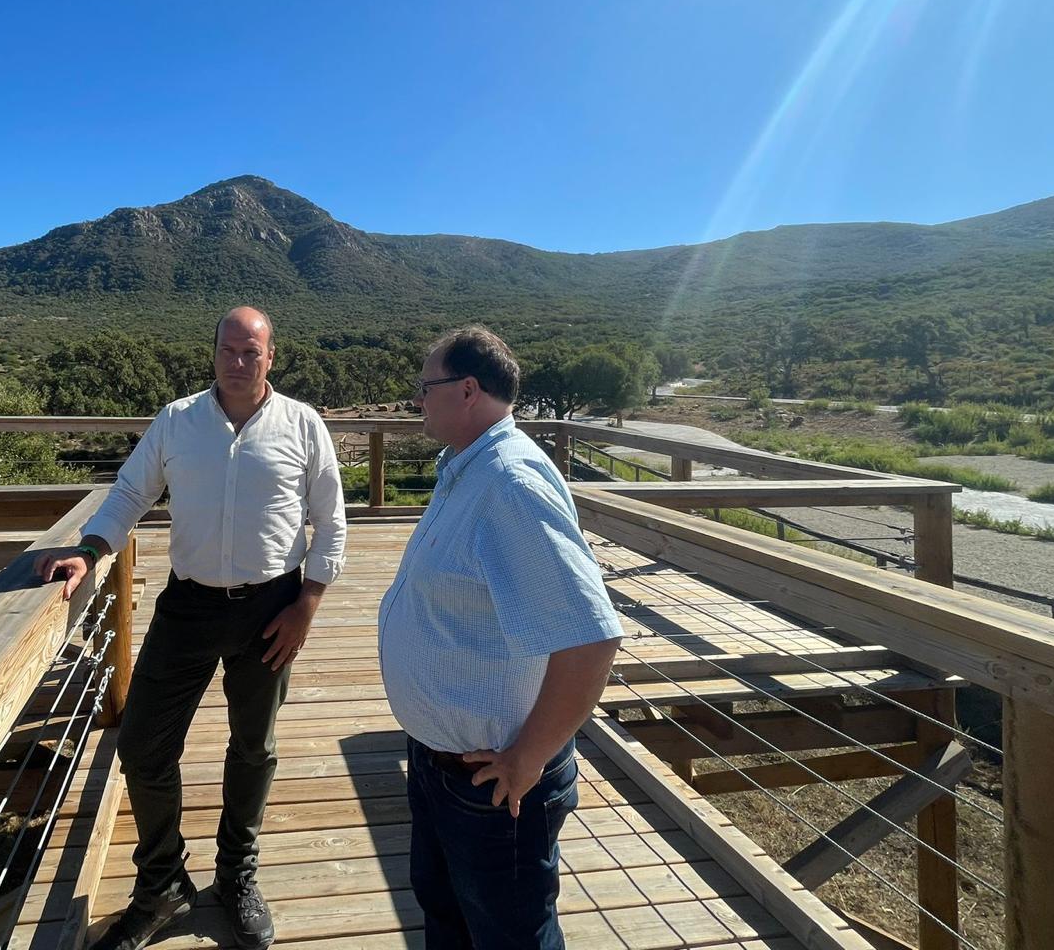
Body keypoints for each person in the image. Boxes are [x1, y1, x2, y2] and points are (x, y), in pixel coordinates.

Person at [35, 306, 346, 950]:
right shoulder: (177, 421)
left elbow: (331, 521)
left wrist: (307, 604)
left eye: (251, 351)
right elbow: (127, 494)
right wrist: (89, 552)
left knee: (253, 747)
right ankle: (162, 884)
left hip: (272, 607)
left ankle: (237, 874)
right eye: (228, 350)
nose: (238, 361)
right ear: (213, 354)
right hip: (189, 606)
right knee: (144, 745)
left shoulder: (303, 425)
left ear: (271, 356)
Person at [378, 325, 623, 950]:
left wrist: (528, 758)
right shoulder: (468, 468)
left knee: (511, 936)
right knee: (450, 921)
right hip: (442, 765)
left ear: (466, 391)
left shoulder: (509, 485)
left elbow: (591, 636)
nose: (417, 400)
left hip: (493, 785)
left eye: (426, 386)